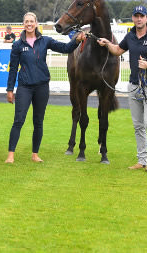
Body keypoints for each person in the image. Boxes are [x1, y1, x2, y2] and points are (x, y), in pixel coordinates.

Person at [97, 5, 147, 172]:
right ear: (133, 18)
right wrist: (107, 43)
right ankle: (142, 160)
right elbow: (117, 50)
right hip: (134, 86)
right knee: (138, 125)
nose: (139, 19)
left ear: (146, 18)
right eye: (136, 16)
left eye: (141, 16)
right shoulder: (130, 36)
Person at [5, 12, 86, 164]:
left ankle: (35, 154)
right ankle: (11, 155)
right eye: (26, 21)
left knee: (38, 122)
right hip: (24, 88)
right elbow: (13, 68)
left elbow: (66, 48)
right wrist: (10, 90)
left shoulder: (45, 41)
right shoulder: (17, 45)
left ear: (36, 23)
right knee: (18, 120)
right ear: (24, 24)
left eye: (32, 21)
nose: (29, 24)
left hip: (42, 87)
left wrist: (77, 40)